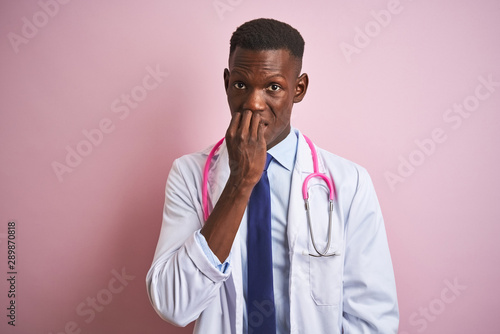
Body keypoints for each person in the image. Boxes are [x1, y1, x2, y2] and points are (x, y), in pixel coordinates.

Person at [146, 18, 399, 333]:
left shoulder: (349, 182)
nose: (253, 103)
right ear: (226, 83)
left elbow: (371, 318)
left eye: (273, 87)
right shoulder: (189, 174)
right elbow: (174, 304)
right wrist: (239, 183)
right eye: (241, 84)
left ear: (299, 88)